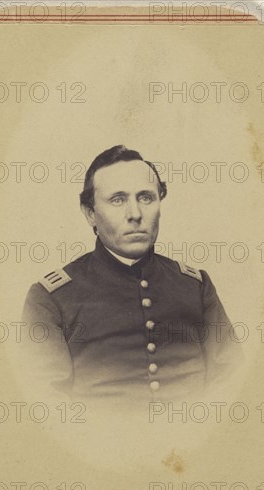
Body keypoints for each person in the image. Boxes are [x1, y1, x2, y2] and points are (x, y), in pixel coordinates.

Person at [22, 145, 240, 404]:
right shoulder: (50, 299)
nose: (135, 214)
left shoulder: (195, 286)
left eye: (146, 198)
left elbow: (232, 382)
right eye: (118, 199)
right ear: (90, 213)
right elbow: (45, 402)